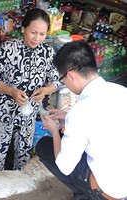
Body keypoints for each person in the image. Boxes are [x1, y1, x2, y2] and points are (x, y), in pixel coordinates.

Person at [35, 40, 127, 199]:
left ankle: (87, 193)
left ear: (70, 75)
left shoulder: (80, 111)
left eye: (63, 79)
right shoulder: (120, 91)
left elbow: (64, 166)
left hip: (111, 190)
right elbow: (105, 122)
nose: (64, 82)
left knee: (44, 146)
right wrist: (67, 116)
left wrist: (53, 132)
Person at [0, 8, 61, 173]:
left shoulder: (47, 52)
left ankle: (20, 189)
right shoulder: (8, 48)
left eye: (42, 34)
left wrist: (46, 90)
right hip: (3, 110)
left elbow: (56, 81)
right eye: (33, 32)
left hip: (28, 113)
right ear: (23, 28)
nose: (37, 38)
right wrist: (11, 91)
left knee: (23, 155)